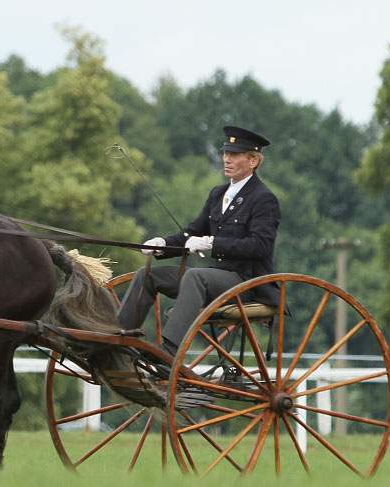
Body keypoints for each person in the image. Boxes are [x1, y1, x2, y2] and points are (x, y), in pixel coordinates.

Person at [116, 125, 281, 356]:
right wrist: (162, 245)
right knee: (147, 275)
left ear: (253, 161)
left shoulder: (263, 198)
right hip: (215, 280)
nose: (226, 159)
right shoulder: (217, 194)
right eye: (225, 153)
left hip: (246, 283)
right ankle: (119, 339)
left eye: (234, 155)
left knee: (196, 275)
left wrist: (213, 244)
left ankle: (169, 350)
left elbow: (260, 246)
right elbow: (190, 233)